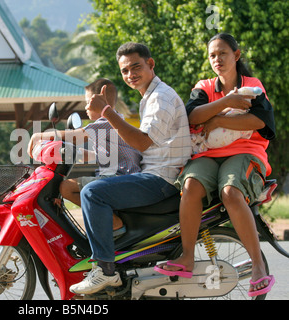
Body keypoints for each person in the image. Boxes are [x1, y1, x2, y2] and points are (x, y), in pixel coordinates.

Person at [154, 33, 276, 297]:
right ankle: (187, 257)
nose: (217, 59)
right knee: (190, 185)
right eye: (212, 55)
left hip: (246, 152)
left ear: (236, 55)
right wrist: (226, 103)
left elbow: (259, 122)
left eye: (222, 53)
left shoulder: (253, 85)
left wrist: (217, 120)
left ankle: (258, 267)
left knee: (230, 192)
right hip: (207, 156)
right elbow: (192, 116)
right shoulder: (204, 86)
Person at [69, 42, 192, 295]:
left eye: (136, 67)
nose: (130, 74)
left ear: (151, 64)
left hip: (162, 179)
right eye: (125, 71)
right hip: (154, 173)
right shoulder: (149, 96)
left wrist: (106, 111)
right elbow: (137, 145)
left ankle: (105, 269)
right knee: (97, 186)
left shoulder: (161, 98)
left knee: (92, 193)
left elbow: (142, 142)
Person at [28, 78, 142, 234]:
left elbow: (78, 135)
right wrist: (77, 153)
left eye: (88, 102)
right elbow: (102, 155)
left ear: (102, 101)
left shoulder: (106, 121)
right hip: (121, 175)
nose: (86, 107)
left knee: (66, 187)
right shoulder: (116, 120)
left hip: (119, 177)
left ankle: (114, 222)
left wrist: (40, 136)